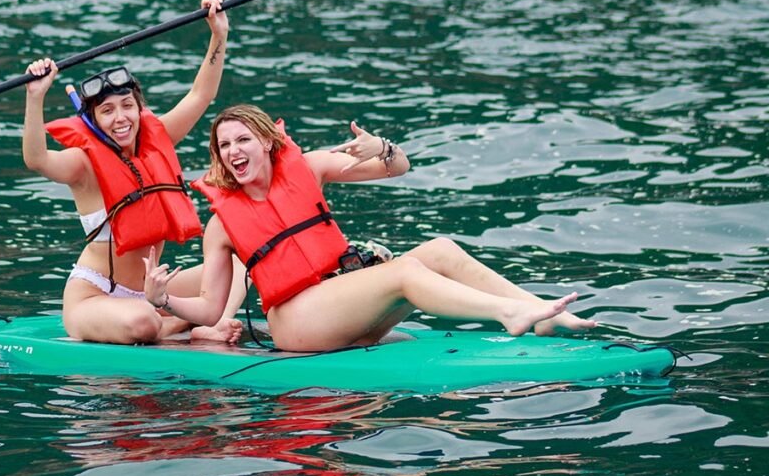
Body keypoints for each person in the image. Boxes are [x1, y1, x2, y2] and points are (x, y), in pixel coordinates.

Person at [143, 104, 597, 353]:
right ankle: (507, 314)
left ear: (266, 141)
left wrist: (380, 146)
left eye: (243, 139)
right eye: (224, 146)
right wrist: (161, 299)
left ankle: (546, 314)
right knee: (402, 273)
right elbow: (208, 308)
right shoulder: (222, 224)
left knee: (438, 248)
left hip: (343, 307)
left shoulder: (310, 167)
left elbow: (399, 167)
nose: (234, 151)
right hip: (298, 325)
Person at [22, 0, 244, 346]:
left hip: (152, 288)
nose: (120, 118)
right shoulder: (84, 163)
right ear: (92, 121)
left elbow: (201, 95)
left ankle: (205, 321)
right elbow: (37, 159)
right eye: (107, 111)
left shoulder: (158, 139)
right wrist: (35, 97)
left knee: (244, 264)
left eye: (127, 106)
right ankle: (178, 325)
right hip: (95, 296)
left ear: (140, 110)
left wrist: (219, 34)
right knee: (142, 321)